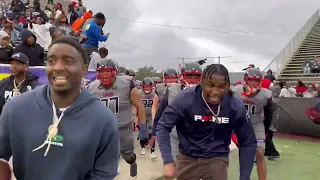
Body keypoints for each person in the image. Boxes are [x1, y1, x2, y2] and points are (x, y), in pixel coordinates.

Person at [0, 37, 120, 179]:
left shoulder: (104, 119)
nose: (58, 67)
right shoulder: (15, 108)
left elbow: (104, 173)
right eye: (51, 61)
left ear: (84, 70)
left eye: (68, 61)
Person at [156, 64, 256, 180]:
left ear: (228, 86)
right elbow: (163, 126)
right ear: (202, 83)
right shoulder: (185, 99)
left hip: (217, 158)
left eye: (221, 87)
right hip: (188, 157)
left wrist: (245, 177)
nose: (215, 92)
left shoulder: (235, 107)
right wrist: (168, 161)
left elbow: (248, 142)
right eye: (210, 86)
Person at [87, 59, 148, 179]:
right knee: (101, 158)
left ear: (115, 71)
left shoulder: (126, 84)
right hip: (103, 130)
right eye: (102, 71)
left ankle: (132, 162)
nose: (105, 75)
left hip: (123, 127)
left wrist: (143, 128)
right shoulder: (92, 87)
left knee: (127, 156)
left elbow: (139, 106)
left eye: (108, 71)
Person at [232, 68, 273, 180]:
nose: (253, 83)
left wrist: (266, 130)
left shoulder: (266, 95)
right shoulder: (235, 91)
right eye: (250, 80)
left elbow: (269, 114)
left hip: (257, 125)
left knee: (259, 153)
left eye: (256, 80)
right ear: (245, 80)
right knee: (245, 155)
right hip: (241, 126)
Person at [150, 64, 200, 153]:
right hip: (175, 135)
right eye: (189, 76)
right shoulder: (171, 90)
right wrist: (154, 132)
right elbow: (160, 112)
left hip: (198, 137)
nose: (193, 79)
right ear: (182, 76)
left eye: (197, 76)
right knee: (174, 162)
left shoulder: (207, 92)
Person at [135, 77, 157, 159]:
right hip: (142, 115)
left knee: (152, 133)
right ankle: (142, 147)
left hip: (151, 116)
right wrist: (135, 117)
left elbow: (157, 105)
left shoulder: (155, 93)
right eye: (145, 86)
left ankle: (152, 151)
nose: (147, 88)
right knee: (143, 133)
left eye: (149, 86)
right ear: (142, 86)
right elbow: (136, 106)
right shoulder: (138, 93)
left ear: (152, 86)